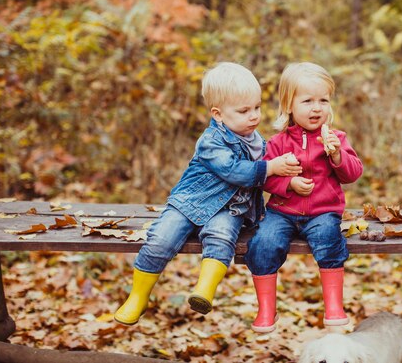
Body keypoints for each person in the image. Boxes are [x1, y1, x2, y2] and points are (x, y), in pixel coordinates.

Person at [114, 62, 302, 325]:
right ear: (218, 114)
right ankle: (138, 296)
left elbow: (273, 164)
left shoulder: (259, 142)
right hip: (190, 203)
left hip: (229, 209)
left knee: (222, 237)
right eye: (244, 110)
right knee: (161, 239)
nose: (254, 116)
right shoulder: (211, 141)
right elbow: (233, 170)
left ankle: (204, 290)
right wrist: (270, 167)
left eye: (257, 108)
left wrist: (291, 166)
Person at [244, 62, 363, 333]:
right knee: (264, 243)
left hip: (323, 212)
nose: (317, 108)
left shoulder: (336, 138)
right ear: (289, 105)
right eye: (308, 101)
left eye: (323, 100)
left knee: (328, 239)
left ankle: (333, 306)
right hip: (282, 211)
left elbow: (353, 173)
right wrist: (289, 183)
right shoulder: (278, 143)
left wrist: (336, 156)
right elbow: (264, 178)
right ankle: (266, 309)